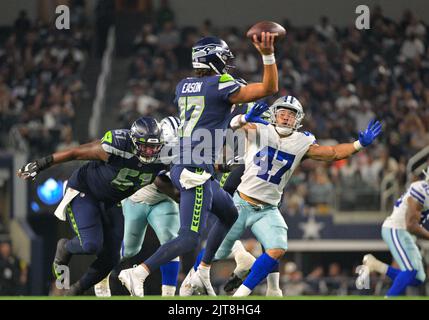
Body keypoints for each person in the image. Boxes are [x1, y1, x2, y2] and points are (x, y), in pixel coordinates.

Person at [118, 32, 279, 297]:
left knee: (229, 213)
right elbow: (269, 89)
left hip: (187, 163)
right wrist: (267, 54)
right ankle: (139, 272)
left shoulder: (183, 86)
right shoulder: (221, 84)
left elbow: (211, 118)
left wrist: (235, 122)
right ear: (213, 58)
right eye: (223, 57)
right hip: (195, 169)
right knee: (189, 237)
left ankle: (203, 268)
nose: (227, 63)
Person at [185, 95, 382, 296]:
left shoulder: (302, 141)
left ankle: (241, 295)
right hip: (241, 203)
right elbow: (229, 126)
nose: (286, 118)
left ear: (298, 119)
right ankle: (189, 281)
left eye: (291, 114)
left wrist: (358, 144)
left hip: (268, 208)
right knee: (215, 251)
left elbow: (331, 152)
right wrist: (244, 118)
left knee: (277, 248)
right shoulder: (259, 128)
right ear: (274, 115)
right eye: (282, 113)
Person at [17, 116, 170, 295]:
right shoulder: (118, 145)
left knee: (112, 257)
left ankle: (75, 290)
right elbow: (76, 153)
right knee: (91, 245)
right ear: (135, 141)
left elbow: (166, 185)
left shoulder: (164, 158)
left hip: (112, 201)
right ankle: (65, 247)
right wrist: (40, 164)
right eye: (145, 146)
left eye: (154, 146)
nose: (150, 151)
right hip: (86, 192)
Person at [94, 116, 181, 297]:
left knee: (172, 243)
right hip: (138, 198)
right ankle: (101, 274)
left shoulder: (184, 147)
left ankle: (169, 295)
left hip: (164, 201)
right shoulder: (152, 150)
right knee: (130, 249)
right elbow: (161, 181)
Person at [359, 166, 429, 297]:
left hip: (406, 233)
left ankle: (376, 265)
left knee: (418, 279)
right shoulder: (422, 190)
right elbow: (411, 225)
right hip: (396, 228)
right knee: (410, 270)